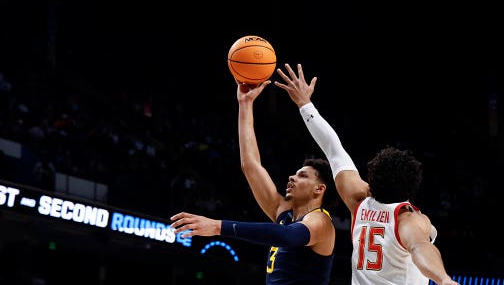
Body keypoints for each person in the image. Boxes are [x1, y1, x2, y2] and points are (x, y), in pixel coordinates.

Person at [274, 62, 459, 285]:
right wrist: (444, 279)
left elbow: (333, 148)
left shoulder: (358, 200)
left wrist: (305, 104)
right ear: (412, 186)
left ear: (371, 181)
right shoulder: (408, 219)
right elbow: (420, 247)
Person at [171, 80, 339, 285]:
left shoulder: (321, 221)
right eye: (295, 173)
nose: (292, 177)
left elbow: (286, 236)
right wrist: (245, 104)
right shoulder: (284, 212)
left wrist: (218, 226)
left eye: (302, 175)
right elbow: (250, 165)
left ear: (319, 189)